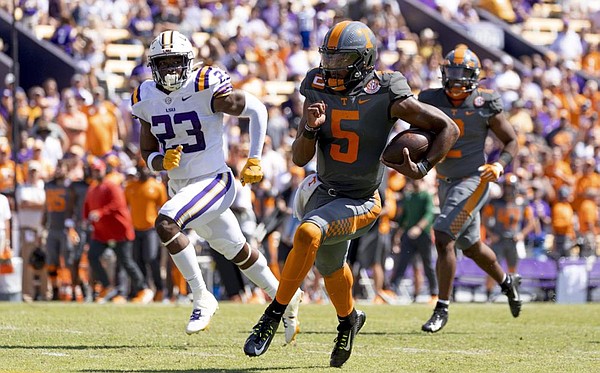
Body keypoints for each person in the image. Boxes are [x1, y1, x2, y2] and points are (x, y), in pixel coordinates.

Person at [243, 20, 459, 367]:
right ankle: (349, 320)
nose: (331, 67)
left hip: (361, 199)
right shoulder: (315, 83)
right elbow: (300, 158)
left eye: (341, 60)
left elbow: (447, 127)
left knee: (308, 231)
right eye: (328, 58)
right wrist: (311, 128)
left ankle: (272, 314)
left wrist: (423, 167)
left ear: (363, 60)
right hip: (323, 192)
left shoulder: (386, 90)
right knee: (331, 268)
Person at [131, 30, 302, 339]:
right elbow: (147, 152)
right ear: (154, 66)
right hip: (181, 187)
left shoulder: (204, 84)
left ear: (187, 63)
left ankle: (201, 296)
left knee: (167, 223)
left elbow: (256, 109)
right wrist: (161, 161)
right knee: (238, 252)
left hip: (214, 181)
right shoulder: (146, 96)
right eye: (163, 64)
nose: (170, 70)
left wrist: (254, 158)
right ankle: (286, 299)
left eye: (175, 63)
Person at [418, 44, 521, 333]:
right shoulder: (430, 98)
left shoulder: (485, 103)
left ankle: (442, 308)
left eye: (461, 74)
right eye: (450, 72)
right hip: (445, 182)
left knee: (443, 235)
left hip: (475, 180)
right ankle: (506, 282)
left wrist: (500, 165)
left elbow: (511, 141)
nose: (455, 80)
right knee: (471, 247)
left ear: (475, 76)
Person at [83, 157, 154, 304]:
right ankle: (107, 286)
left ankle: (143, 289)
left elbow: (117, 204)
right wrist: (85, 218)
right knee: (92, 256)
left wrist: (100, 213)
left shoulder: (111, 186)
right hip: (103, 233)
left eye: (98, 169)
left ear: (104, 170)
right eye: (94, 170)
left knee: (126, 261)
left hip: (119, 231)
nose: (96, 173)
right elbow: (87, 207)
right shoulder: (92, 189)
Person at [389, 178, 438, 303]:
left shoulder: (426, 196)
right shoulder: (408, 197)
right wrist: (397, 234)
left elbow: (428, 215)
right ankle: (392, 290)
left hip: (423, 235)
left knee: (427, 265)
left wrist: (418, 228)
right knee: (402, 263)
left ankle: (434, 293)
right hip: (408, 235)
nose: (414, 182)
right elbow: (403, 217)